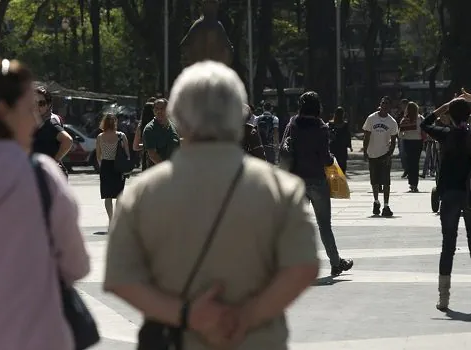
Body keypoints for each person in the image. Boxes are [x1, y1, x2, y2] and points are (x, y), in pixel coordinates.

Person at [103, 61, 319, 350]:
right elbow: (304, 267)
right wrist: (247, 316)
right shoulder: (282, 190)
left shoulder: (143, 193)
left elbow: (120, 278)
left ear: (178, 117)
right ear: (239, 116)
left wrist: (186, 315)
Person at [0, 56, 89, 350]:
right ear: (3, 111)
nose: (36, 120)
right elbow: (77, 265)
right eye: (28, 109)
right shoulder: (40, 177)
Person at [283, 91, 353, 276]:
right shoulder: (321, 127)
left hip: (296, 181)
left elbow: (284, 148)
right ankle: (336, 263)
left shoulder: (293, 124)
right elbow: (325, 159)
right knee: (324, 225)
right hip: (317, 181)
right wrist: (332, 160)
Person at [421, 96, 471, 311]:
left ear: (449, 115)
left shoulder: (445, 135)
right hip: (469, 193)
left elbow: (424, 125)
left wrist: (442, 108)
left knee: (448, 245)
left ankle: (444, 298)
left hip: (449, 193)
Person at [363, 96, 399, 217]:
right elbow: (366, 135)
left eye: (387, 104)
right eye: (383, 103)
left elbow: (393, 141)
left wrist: (390, 154)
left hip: (384, 154)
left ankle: (386, 205)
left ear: (389, 107)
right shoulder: (371, 118)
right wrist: (365, 151)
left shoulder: (392, 122)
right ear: (380, 104)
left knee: (386, 182)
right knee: (374, 181)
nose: (384, 105)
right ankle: (376, 201)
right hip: (372, 153)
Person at [96, 114, 130, 224]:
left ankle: (111, 219)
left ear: (104, 123)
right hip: (118, 167)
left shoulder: (100, 137)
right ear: (115, 123)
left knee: (108, 196)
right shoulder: (121, 135)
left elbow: (98, 155)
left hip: (105, 166)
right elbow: (127, 154)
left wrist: (102, 164)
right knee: (119, 195)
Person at [32, 86, 73, 176]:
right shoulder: (36, 122)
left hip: (50, 176)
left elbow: (68, 140)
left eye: (41, 103)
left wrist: (55, 161)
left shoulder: (50, 122)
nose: (37, 106)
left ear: (48, 105)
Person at [180, 0, 233, 67]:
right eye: (210, 4)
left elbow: (228, 49)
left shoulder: (217, 26)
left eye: (214, 4)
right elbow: (184, 46)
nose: (213, 8)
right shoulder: (198, 25)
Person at [142, 98, 181, 166]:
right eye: (156, 108)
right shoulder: (150, 129)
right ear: (153, 111)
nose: (159, 111)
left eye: (162, 108)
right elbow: (152, 154)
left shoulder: (174, 127)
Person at [399, 101, 424, 192]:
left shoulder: (404, 120)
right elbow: (425, 129)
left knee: (409, 163)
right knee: (415, 163)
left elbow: (400, 134)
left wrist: (405, 136)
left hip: (408, 142)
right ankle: (415, 184)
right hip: (418, 142)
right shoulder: (420, 118)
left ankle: (411, 183)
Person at [328, 107, 353, 173]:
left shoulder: (343, 124)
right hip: (340, 148)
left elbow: (348, 135)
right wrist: (349, 145)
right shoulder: (331, 124)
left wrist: (349, 145)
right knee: (341, 167)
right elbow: (348, 136)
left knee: (336, 166)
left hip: (335, 147)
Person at [133, 102, 155, 170]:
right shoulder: (161, 124)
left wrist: (146, 146)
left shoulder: (141, 126)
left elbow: (135, 147)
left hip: (147, 158)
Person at [396, 99, 409, 178]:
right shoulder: (400, 114)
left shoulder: (412, 114)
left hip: (410, 136)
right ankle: (405, 169)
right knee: (402, 154)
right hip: (401, 136)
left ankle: (410, 170)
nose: (403, 107)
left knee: (409, 155)